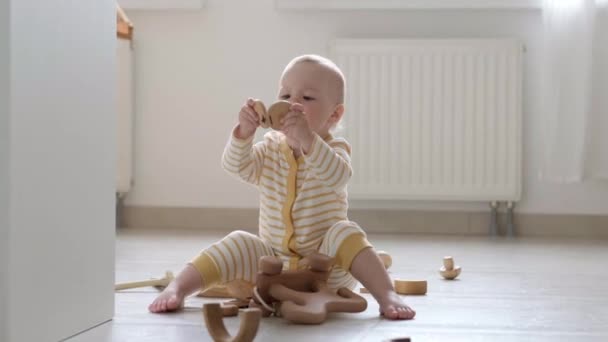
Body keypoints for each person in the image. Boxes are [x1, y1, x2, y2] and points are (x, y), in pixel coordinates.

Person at [148, 55, 416, 320]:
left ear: (334, 114)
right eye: (285, 96)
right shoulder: (270, 148)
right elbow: (236, 167)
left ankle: (387, 295)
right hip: (273, 267)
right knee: (239, 241)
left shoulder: (334, 149)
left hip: (326, 269)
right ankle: (179, 288)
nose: (292, 104)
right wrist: (243, 133)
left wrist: (308, 139)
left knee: (345, 232)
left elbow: (338, 176)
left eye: (307, 98)